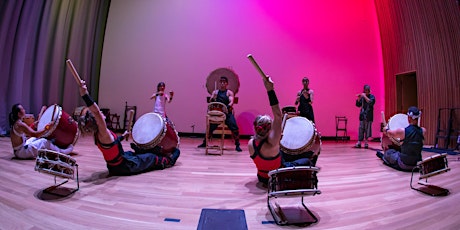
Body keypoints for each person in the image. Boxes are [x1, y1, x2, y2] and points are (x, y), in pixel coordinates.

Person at [77, 80, 180, 176]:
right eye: (100, 116)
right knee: (151, 158)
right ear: (96, 120)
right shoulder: (103, 132)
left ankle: (140, 151)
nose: (102, 114)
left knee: (133, 153)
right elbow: (96, 111)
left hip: (116, 164)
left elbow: (112, 145)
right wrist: (84, 94)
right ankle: (169, 161)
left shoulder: (99, 135)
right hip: (124, 167)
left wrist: (122, 136)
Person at [248, 74, 283, 185]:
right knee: (302, 159)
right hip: (275, 178)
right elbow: (278, 114)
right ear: (269, 129)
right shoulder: (273, 144)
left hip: (261, 178)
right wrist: (270, 90)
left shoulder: (250, 144)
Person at [9, 104, 73, 159]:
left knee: (35, 139)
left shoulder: (17, 123)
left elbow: (30, 133)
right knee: (44, 141)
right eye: (22, 109)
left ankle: (53, 146)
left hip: (19, 150)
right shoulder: (20, 124)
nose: (24, 110)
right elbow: (35, 134)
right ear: (19, 114)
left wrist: (34, 124)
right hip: (21, 153)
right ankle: (63, 152)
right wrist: (47, 127)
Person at [198, 76, 242, 152]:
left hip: (227, 113)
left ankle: (237, 145)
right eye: (221, 82)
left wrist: (228, 106)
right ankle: (205, 142)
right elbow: (211, 101)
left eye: (224, 82)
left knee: (234, 127)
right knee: (210, 127)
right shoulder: (215, 92)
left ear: (227, 83)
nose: (222, 83)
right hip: (217, 114)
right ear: (219, 83)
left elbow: (231, 101)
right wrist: (213, 97)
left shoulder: (229, 92)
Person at [376, 106, 425, 172]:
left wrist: (386, 129)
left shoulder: (402, 131)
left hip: (404, 164)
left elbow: (389, 133)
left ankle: (384, 157)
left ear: (409, 118)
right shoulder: (423, 131)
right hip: (417, 163)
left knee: (388, 152)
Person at [355, 84, 376, 148]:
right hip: (362, 115)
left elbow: (370, 102)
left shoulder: (372, 96)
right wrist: (359, 98)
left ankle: (366, 142)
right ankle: (359, 142)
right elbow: (358, 105)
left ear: (369, 90)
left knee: (367, 129)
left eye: (367, 90)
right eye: (365, 90)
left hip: (368, 116)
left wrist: (364, 96)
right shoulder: (362, 97)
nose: (366, 91)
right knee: (361, 128)